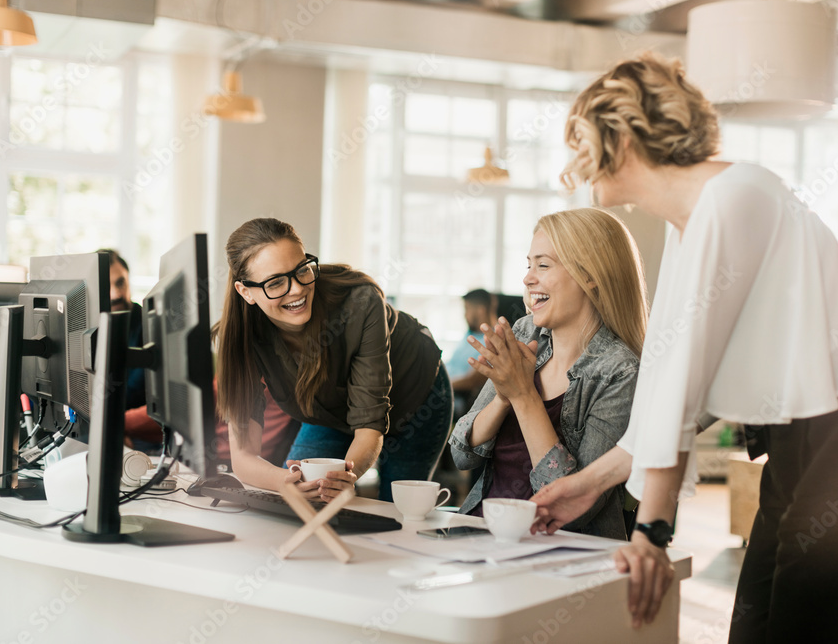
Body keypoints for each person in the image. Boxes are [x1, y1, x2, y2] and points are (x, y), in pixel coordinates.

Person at [530, 52, 838, 641]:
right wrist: (591, 483)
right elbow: (672, 389)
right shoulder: (689, 221)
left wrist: (652, 532)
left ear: (621, 138)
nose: (574, 162)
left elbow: (680, 383)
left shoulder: (736, 195)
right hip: (802, 456)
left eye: (582, 141)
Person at [214, 218, 453, 502]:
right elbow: (243, 456)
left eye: (302, 270)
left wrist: (346, 477)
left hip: (414, 394)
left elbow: (369, 426)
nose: (297, 289)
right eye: (276, 282)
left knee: (397, 509)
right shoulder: (241, 339)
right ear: (245, 292)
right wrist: (286, 482)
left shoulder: (359, 302)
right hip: (329, 409)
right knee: (304, 496)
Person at [449, 208, 648, 539]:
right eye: (529, 265)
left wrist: (524, 396)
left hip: (562, 552)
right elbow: (462, 454)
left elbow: (576, 509)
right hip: (481, 532)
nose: (528, 278)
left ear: (590, 274)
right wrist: (503, 396)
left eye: (543, 265)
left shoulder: (621, 371)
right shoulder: (524, 333)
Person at [96, 248, 161, 449]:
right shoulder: (83, 326)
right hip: (96, 430)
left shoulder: (152, 326)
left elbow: (135, 393)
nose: (116, 294)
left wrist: (113, 429)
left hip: (143, 435)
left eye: (121, 283)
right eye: (107, 286)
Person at [447, 289, 494, 417]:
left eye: (467, 309)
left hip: (453, 397)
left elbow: (471, 381)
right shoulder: (470, 334)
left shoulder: (493, 342)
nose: (464, 315)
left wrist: (438, 385)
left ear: (480, 310)